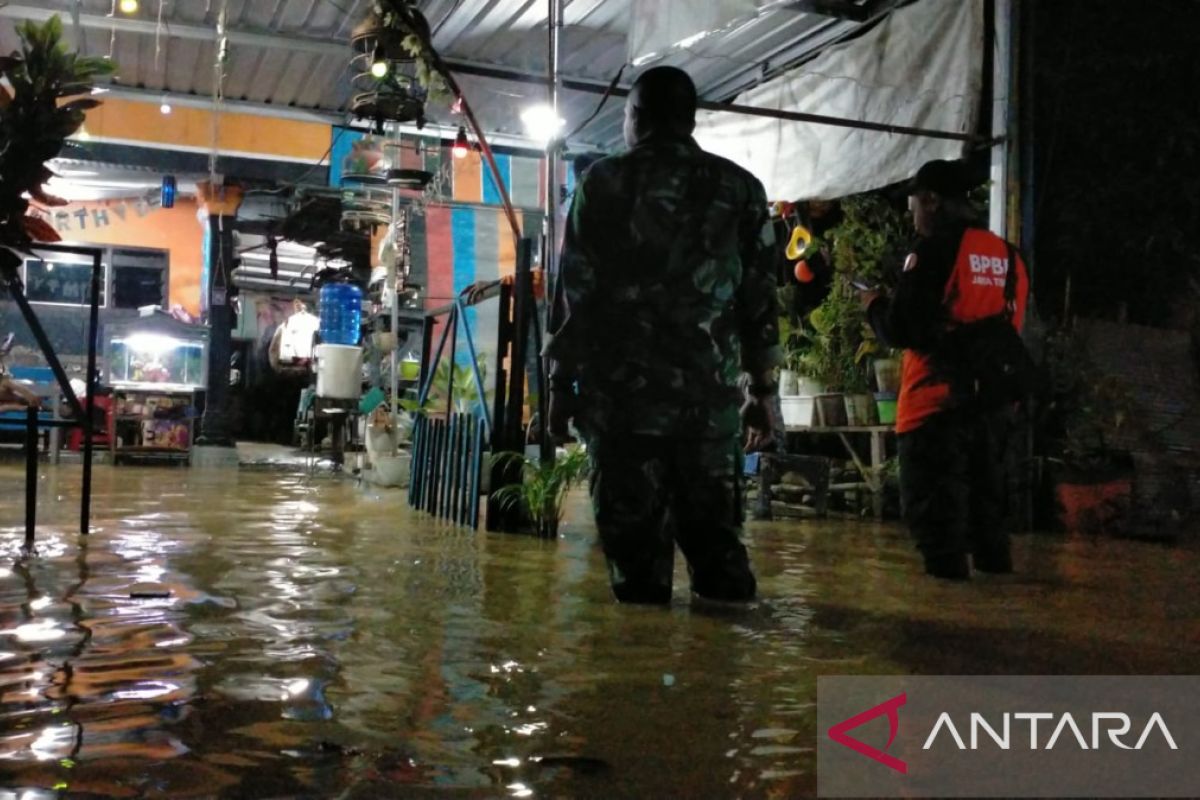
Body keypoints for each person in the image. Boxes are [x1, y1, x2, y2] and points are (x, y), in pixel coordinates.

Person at [544, 66, 782, 605]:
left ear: (635, 118)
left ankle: (648, 680)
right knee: (720, 554)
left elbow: (576, 294)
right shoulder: (741, 189)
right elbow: (760, 301)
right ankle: (725, 677)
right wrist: (763, 394)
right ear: (689, 119)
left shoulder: (604, 183)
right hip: (709, 408)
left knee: (636, 573)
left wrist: (560, 389)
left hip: (624, 409)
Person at [861, 159, 1029, 580]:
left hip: (935, 406)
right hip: (993, 406)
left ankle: (947, 634)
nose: (911, 212)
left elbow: (903, 329)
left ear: (932, 201)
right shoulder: (1009, 256)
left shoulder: (934, 250)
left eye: (913, 202)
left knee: (939, 533)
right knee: (989, 525)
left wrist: (874, 307)